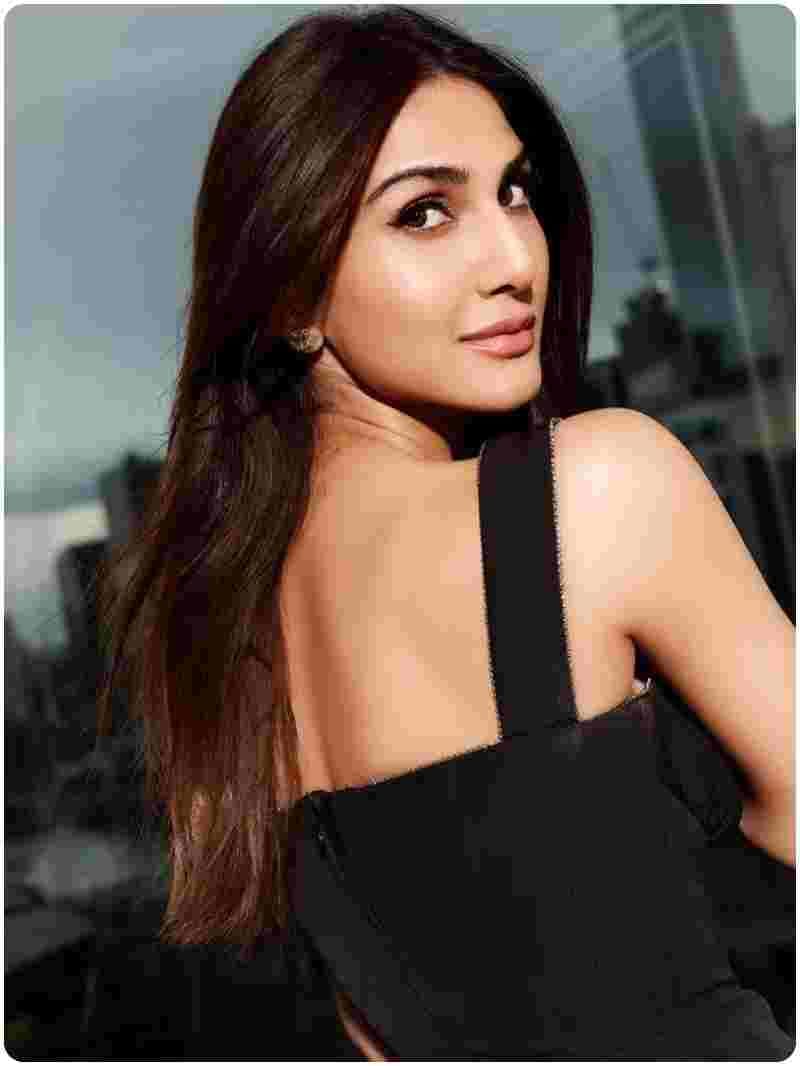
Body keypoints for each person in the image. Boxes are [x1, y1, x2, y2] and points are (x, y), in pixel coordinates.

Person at [98, 6, 795, 1059]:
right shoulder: (594, 489)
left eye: (515, 192)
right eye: (424, 213)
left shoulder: (222, 637)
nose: (513, 257)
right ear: (289, 297)